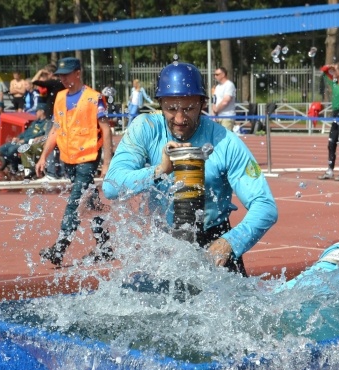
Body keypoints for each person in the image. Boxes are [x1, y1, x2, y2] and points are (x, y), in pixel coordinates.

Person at [103, 61, 278, 274]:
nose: (179, 118)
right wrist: (159, 170)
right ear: (160, 104)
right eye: (171, 109)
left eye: (189, 109)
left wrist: (230, 242)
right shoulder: (145, 128)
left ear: (202, 104)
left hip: (214, 237)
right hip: (164, 242)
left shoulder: (225, 142)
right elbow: (111, 188)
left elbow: (265, 206)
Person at [35, 57, 112, 266]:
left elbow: (105, 129)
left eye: (67, 74)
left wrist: (106, 162)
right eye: (60, 75)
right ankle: (104, 245)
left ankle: (59, 249)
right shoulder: (60, 97)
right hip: (68, 159)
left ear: (78, 73)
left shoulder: (94, 98)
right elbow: (56, 129)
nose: (63, 79)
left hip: (88, 159)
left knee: (75, 203)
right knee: (91, 202)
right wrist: (44, 156)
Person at [0, 103, 50, 172]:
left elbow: (37, 136)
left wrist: (24, 140)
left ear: (42, 111)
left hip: (29, 143)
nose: (35, 113)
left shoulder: (46, 123)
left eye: (37, 111)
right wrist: (18, 137)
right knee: (2, 148)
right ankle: (15, 162)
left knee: (11, 150)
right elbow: (26, 132)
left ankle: (15, 166)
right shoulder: (35, 122)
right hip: (22, 140)